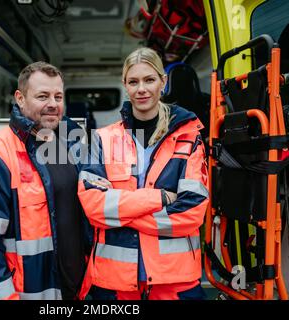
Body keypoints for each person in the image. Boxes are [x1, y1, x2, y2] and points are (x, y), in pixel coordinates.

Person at [77, 47, 209, 300]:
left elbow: (191, 213)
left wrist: (119, 213)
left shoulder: (189, 138)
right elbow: (93, 207)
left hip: (174, 281)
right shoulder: (102, 139)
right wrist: (160, 198)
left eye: (149, 80)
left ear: (163, 82)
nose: (142, 89)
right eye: (134, 81)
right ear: (125, 85)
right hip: (115, 281)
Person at [0, 61, 90, 300]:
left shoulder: (72, 142)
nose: (53, 104)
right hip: (28, 293)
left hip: (75, 289)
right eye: (43, 96)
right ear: (20, 98)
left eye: (58, 96)